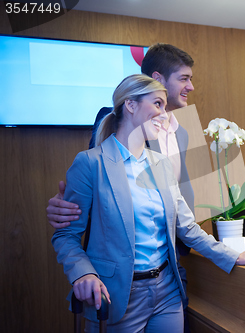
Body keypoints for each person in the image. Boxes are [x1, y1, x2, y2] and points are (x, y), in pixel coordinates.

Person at [52, 74, 245, 332]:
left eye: (165, 106)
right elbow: (66, 235)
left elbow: (187, 228)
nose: (164, 114)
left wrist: (233, 256)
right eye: (157, 104)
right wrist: (83, 272)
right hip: (117, 294)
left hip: (167, 290)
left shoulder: (161, 164)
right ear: (130, 105)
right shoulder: (91, 163)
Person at [46, 43, 196, 331]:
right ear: (159, 79)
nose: (191, 86)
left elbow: (184, 200)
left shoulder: (185, 133)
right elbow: (96, 186)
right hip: (122, 277)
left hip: (171, 269)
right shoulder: (112, 119)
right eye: (184, 78)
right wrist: (61, 207)